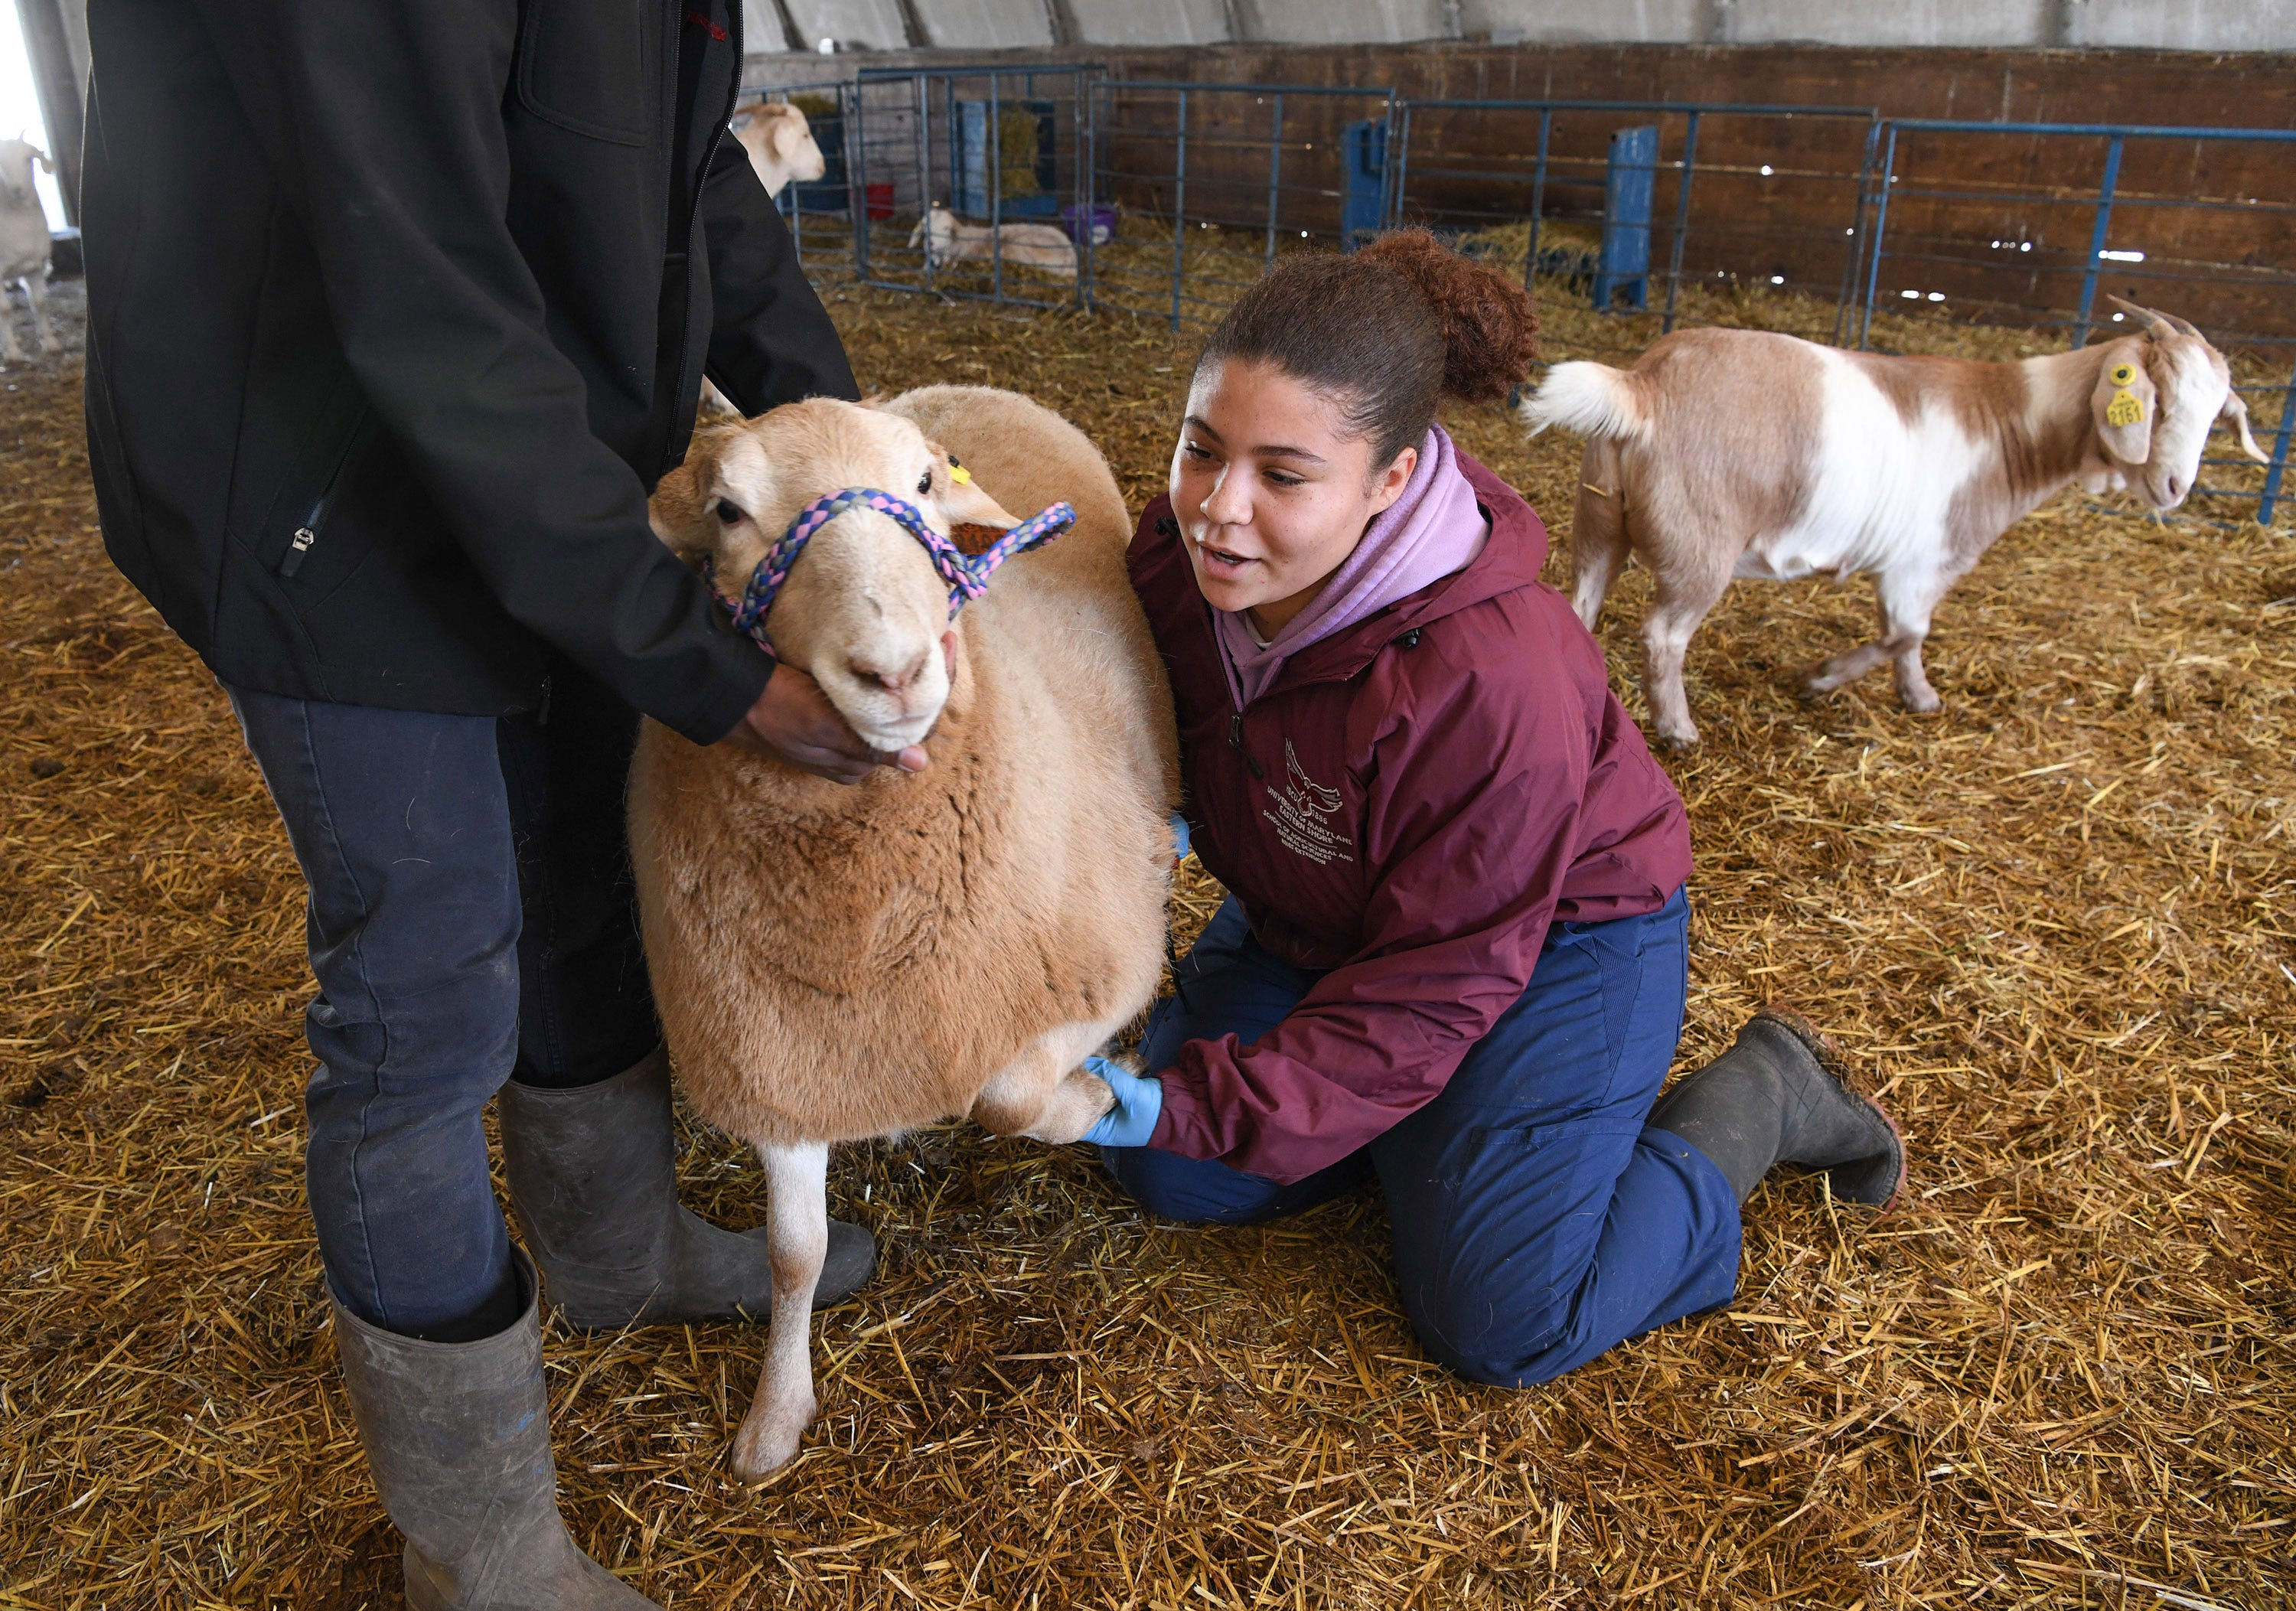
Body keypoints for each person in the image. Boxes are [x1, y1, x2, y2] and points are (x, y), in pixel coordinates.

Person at [81, 4, 891, 1605]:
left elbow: (685, 183)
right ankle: (481, 1551)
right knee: (422, 998)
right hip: (322, 489)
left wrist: (858, 468)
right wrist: (715, 676)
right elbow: (423, 288)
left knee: (584, 853)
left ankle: (613, 1251)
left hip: (539, 465)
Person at [1083, 232, 1906, 1387]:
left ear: (1394, 480)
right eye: (1199, 448)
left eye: (1283, 474)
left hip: (1552, 939)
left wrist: (1275, 1089)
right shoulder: (1183, 560)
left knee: (1502, 1316)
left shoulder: (1487, 681)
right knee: (1176, 1168)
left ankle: (1763, 1097)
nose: (1219, 507)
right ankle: (1430, 1132)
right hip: (1320, 908)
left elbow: (1437, 982)